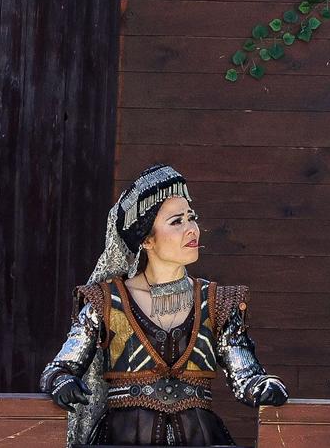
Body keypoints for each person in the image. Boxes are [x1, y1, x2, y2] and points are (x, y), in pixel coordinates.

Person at [42, 164, 287, 446]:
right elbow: (59, 368)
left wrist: (263, 386)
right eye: (177, 221)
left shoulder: (218, 302)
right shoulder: (107, 302)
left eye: (191, 217)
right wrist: (63, 383)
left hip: (200, 438)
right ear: (146, 238)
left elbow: (246, 377)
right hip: (122, 441)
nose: (192, 228)